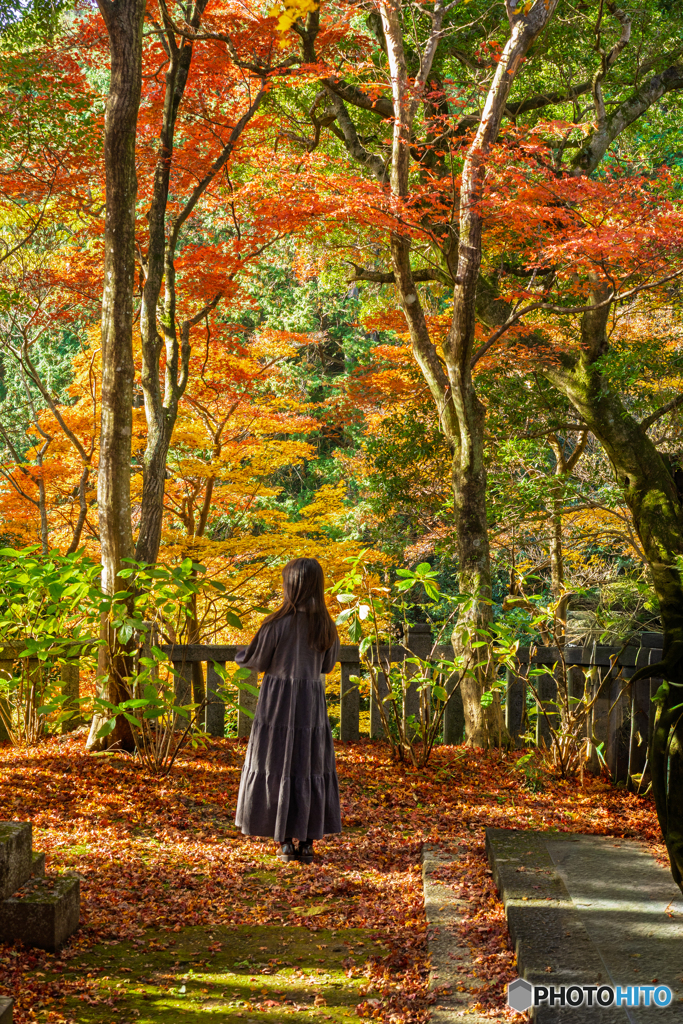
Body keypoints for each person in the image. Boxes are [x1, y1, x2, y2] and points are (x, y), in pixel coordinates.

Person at [234, 557, 342, 864]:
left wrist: (239, 654)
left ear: (291, 585)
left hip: (277, 703)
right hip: (311, 703)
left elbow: (256, 661)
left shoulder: (275, 624)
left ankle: (283, 842)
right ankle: (307, 843)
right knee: (309, 763)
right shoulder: (326, 626)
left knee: (276, 759)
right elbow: (327, 666)